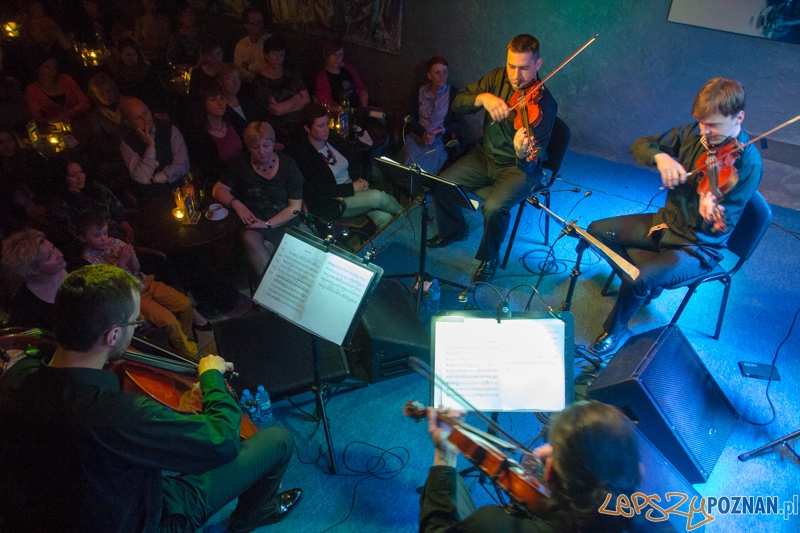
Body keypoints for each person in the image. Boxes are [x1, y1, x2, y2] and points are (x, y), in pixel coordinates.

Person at [0, 263, 302, 532]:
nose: (138, 329)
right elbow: (221, 440)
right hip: (141, 519)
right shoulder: (117, 412)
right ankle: (247, 520)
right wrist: (211, 377)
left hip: (58, 506)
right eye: (135, 323)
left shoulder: (14, 379)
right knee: (278, 440)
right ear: (113, 336)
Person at [586, 77, 763, 355]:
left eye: (714, 125)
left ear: (739, 117)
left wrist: (710, 212)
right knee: (595, 231)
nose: (705, 132)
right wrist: (661, 158)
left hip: (697, 247)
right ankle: (645, 289)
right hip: (665, 223)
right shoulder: (694, 133)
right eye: (702, 123)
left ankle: (616, 328)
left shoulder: (749, 164)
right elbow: (641, 145)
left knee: (638, 279)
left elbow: (722, 226)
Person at [427, 34, 556, 283]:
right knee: (442, 183)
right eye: (511, 66)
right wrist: (482, 98)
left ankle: (489, 257)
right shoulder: (497, 77)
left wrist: (522, 154)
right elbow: (459, 103)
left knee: (495, 208)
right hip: (484, 156)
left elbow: (536, 159)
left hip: (518, 169)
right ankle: (455, 229)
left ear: (538, 65)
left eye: (524, 68)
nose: (515, 76)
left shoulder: (545, 105)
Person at [419, 400, 641, 532]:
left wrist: (445, 454)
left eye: (552, 449)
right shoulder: (648, 515)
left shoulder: (493, 525)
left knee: (446, 482)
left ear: (551, 471)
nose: (542, 451)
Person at [76, 211, 201, 358]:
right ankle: (189, 354)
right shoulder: (88, 259)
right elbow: (114, 284)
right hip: (132, 294)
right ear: (83, 238)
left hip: (144, 281)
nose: (104, 238)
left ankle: (181, 341)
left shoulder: (114, 242)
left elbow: (136, 268)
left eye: (105, 233)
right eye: (97, 236)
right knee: (170, 321)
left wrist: (132, 256)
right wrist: (121, 261)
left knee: (185, 304)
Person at [212, 121, 302, 277]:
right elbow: (218, 190)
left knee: (267, 249)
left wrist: (267, 224)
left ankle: (272, 291)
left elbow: (294, 208)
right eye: (255, 147)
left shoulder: (288, 165)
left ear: (274, 143)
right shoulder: (241, 163)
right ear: (248, 147)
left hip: (282, 218)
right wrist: (237, 204)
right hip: (253, 219)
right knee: (250, 237)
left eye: (266, 145)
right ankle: (273, 291)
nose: (262, 152)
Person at [293, 103, 402, 229]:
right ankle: (411, 218)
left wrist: (359, 180)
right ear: (307, 128)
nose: (326, 129)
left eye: (327, 123)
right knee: (378, 197)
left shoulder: (333, 138)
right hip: (335, 201)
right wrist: (351, 187)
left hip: (354, 188)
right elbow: (318, 190)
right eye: (320, 125)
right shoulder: (303, 154)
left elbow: (353, 162)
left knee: (385, 218)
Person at [119, 96, 190, 200]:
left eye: (145, 113)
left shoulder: (170, 130)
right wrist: (150, 146)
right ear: (128, 122)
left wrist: (156, 178)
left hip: (177, 190)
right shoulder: (126, 144)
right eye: (138, 117)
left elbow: (183, 165)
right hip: (150, 198)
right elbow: (142, 178)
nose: (145, 119)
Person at [401, 56, 462, 174]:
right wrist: (423, 133)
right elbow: (410, 118)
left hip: (439, 139)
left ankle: (422, 189)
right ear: (429, 75)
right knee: (410, 164)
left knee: (426, 169)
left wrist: (440, 130)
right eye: (437, 72)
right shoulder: (420, 92)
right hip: (418, 136)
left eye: (445, 72)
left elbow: (459, 123)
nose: (442, 76)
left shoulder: (453, 93)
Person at [1, 229, 72, 330]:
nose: (59, 254)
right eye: (49, 256)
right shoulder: (23, 307)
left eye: (54, 247)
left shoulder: (77, 266)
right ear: (34, 269)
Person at [252, 36, 310, 141]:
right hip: (280, 127)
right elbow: (276, 111)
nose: (278, 59)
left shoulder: (291, 72)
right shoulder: (260, 82)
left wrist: (283, 106)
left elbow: (306, 99)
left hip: (302, 119)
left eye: (282, 55)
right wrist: (297, 97)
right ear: (266, 55)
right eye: (275, 55)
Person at [24, 55, 90, 128]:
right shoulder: (32, 90)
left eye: (54, 68)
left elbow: (84, 102)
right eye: (47, 67)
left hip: (80, 121)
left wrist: (70, 114)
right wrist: (56, 121)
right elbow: (38, 118)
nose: (51, 71)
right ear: (38, 69)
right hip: (55, 128)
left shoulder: (66, 79)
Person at [314, 40, 368, 112]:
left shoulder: (349, 68)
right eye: (334, 54)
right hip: (340, 114)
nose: (337, 58)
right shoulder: (322, 78)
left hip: (358, 109)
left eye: (340, 55)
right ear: (326, 55)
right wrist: (346, 110)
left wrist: (363, 108)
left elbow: (362, 88)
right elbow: (326, 104)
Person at [233, 6, 271, 82]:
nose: (261, 25)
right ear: (246, 26)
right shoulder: (241, 45)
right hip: (247, 85)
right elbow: (238, 70)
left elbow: (270, 66)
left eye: (262, 22)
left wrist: (248, 66)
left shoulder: (270, 41)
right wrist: (257, 77)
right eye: (256, 23)